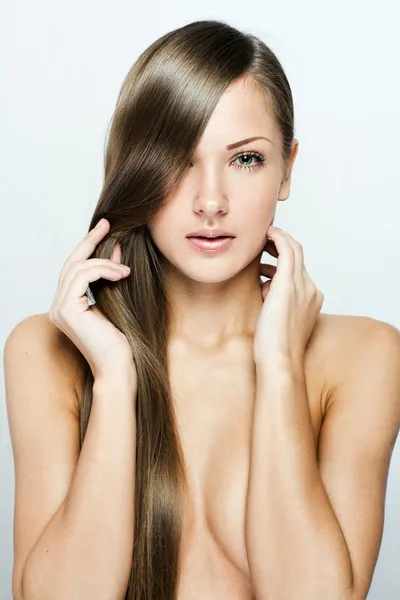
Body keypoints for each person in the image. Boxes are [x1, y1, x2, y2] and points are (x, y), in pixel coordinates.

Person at [4, 18, 400, 600]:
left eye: (245, 160)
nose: (210, 201)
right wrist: (115, 381)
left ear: (287, 167)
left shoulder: (365, 358)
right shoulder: (47, 352)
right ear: (134, 169)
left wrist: (281, 366)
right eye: (179, 159)